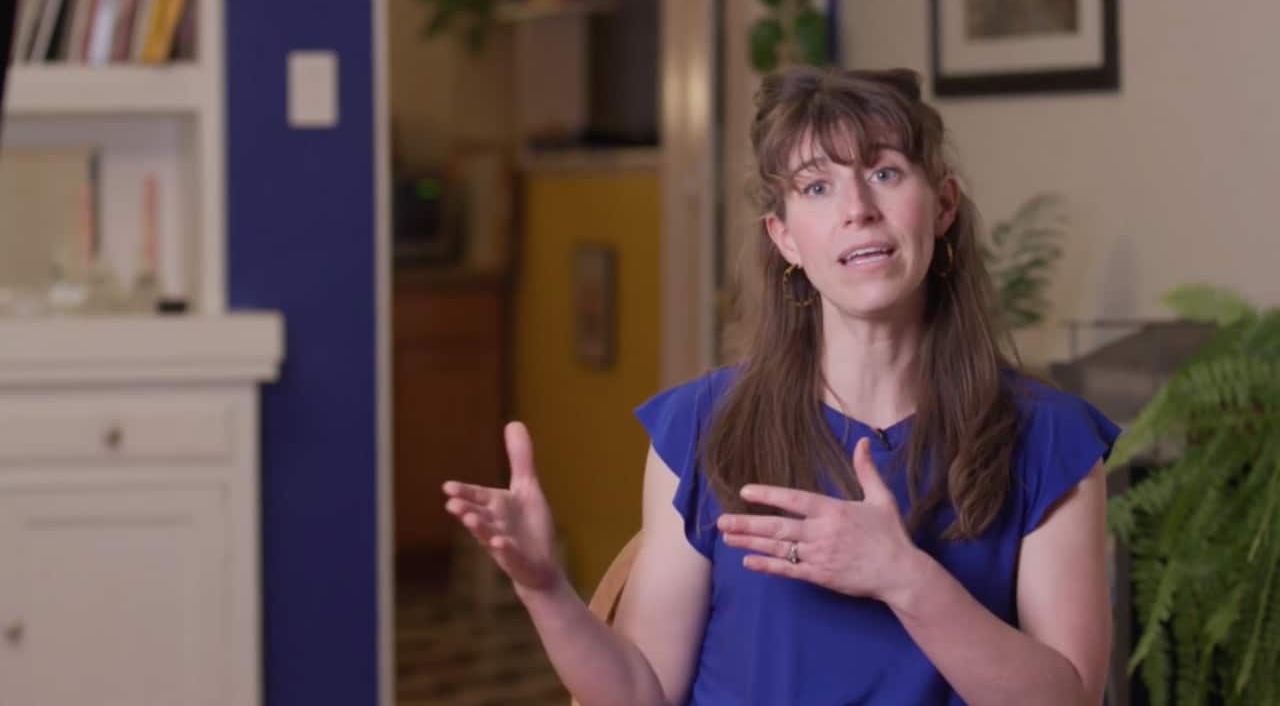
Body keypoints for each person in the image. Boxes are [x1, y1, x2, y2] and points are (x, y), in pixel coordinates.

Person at [442, 66, 1118, 705]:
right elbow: (641, 693)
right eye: (817, 187)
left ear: (942, 205)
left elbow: (1070, 698)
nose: (858, 208)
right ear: (784, 236)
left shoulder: (1048, 439)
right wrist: (544, 588)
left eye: (884, 172)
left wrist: (905, 578)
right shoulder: (703, 425)